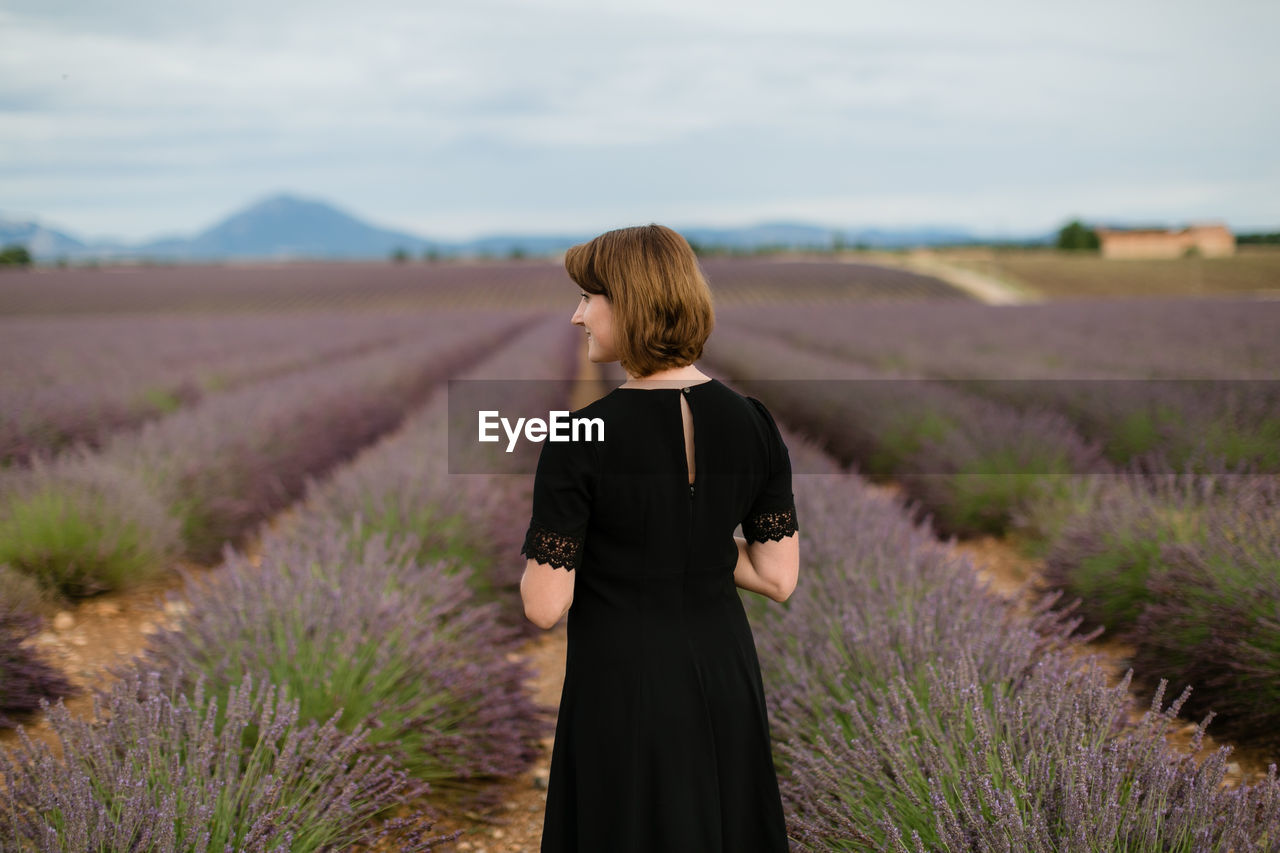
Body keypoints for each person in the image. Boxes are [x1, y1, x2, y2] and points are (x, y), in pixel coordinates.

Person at [519, 223, 800, 852]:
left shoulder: (578, 437)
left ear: (630, 303)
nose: (576, 317)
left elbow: (544, 606)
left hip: (623, 683)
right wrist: (689, 537)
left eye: (588, 298)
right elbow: (777, 578)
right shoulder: (753, 422)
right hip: (725, 674)